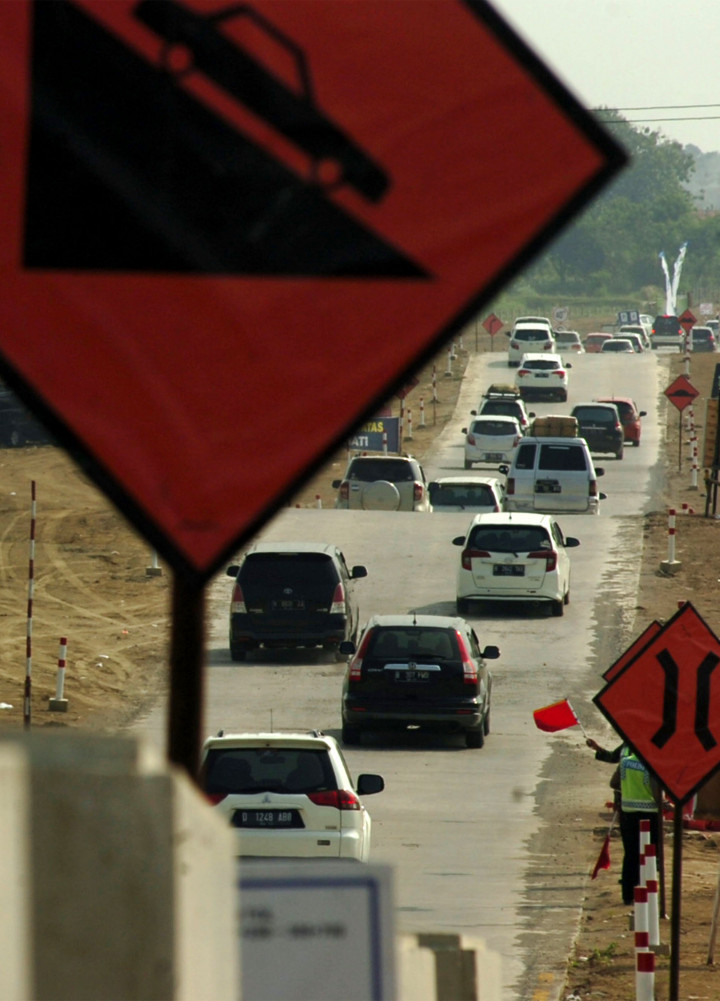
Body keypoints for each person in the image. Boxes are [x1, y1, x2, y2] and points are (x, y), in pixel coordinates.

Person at [587, 738, 660, 906]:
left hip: (627, 812)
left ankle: (628, 894)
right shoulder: (652, 764)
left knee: (631, 854)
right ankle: (645, 890)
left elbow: (613, 782)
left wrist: (626, 791)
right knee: (649, 854)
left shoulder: (625, 761)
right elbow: (657, 795)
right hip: (649, 815)